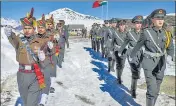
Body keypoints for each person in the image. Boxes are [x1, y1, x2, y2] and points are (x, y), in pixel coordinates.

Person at [129, 9, 174, 106]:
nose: (160, 20)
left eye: (162, 18)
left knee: (157, 89)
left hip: (161, 64)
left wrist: (170, 57)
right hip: (148, 63)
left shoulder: (167, 33)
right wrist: (132, 56)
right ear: (152, 20)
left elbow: (170, 47)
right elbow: (138, 46)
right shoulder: (146, 33)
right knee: (152, 89)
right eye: (158, 18)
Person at [4, 8, 47, 106]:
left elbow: (48, 57)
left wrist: (43, 57)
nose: (27, 31)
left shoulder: (40, 41)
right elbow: (13, 39)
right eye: (25, 28)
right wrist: (9, 34)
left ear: (33, 29)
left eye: (29, 28)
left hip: (35, 75)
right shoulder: (19, 40)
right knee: (26, 101)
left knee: (31, 103)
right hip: (21, 75)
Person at [118, 15, 143, 97]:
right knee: (135, 71)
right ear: (133, 24)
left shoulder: (144, 33)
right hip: (131, 54)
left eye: (140, 23)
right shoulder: (130, 34)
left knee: (138, 71)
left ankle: (133, 86)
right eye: (137, 23)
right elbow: (125, 43)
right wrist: (120, 51)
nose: (139, 24)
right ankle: (133, 90)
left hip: (141, 54)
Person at [36, 14, 55, 105]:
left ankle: (43, 99)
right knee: (38, 80)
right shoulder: (34, 37)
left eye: (42, 27)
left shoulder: (48, 37)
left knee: (46, 79)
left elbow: (53, 51)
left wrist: (51, 48)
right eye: (38, 27)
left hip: (46, 61)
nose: (40, 29)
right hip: (35, 63)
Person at [112, 19, 128, 84]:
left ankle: (119, 75)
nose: (122, 26)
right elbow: (112, 42)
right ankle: (119, 78)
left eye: (123, 25)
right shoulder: (115, 33)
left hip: (124, 51)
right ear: (118, 26)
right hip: (117, 50)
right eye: (121, 25)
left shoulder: (127, 33)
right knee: (119, 65)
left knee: (122, 65)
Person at [45, 14, 58, 93]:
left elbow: (58, 41)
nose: (49, 25)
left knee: (53, 69)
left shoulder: (55, 31)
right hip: (45, 53)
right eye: (48, 24)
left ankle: (52, 85)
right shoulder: (44, 31)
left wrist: (56, 39)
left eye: (50, 24)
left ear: (53, 24)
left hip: (53, 53)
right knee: (45, 69)